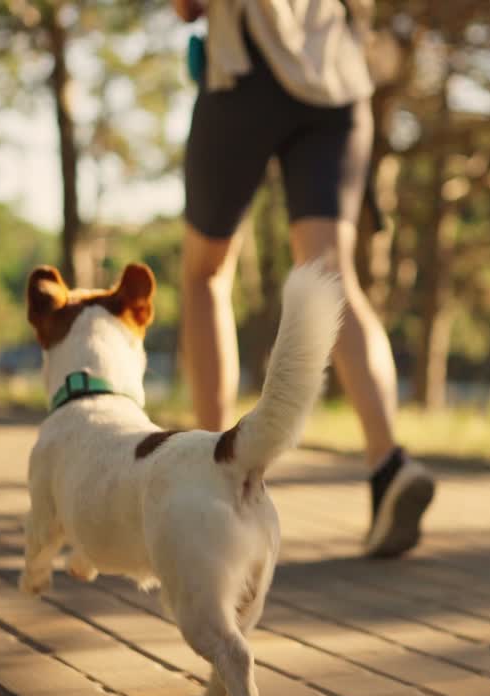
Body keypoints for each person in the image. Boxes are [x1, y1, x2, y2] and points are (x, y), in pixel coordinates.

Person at [173, 0, 434, 557]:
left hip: (247, 73)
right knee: (330, 276)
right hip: (336, 79)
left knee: (205, 273)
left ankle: (220, 484)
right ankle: (389, 464)